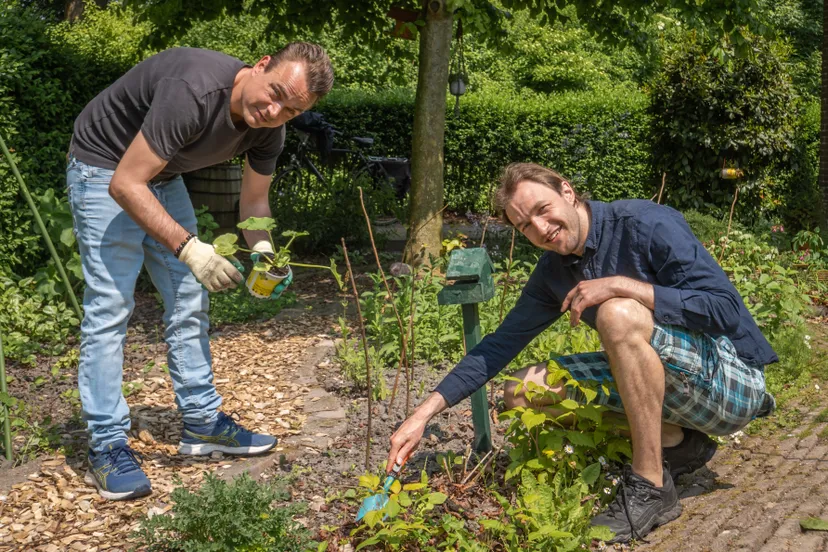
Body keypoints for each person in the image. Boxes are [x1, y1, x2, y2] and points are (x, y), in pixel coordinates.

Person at [386, 162, 777, 543]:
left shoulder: (644, 222)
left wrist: (621, 285)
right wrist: (422, 415)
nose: (541, 229)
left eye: (543, 210)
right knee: (523, 391)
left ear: (567, 192)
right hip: (674, 384)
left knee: (616, 312)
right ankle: (679, 443)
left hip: (731, 380)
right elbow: (498, 347)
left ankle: (651, 486)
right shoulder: (554, 272)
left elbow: (724, 309)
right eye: (525, 225)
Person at [67, 42, 334, 500]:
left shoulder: (270, 129)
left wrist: (266, 254)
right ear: (261, 65)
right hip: (105, 166)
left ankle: (202, 422)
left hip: (161, 177)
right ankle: (107, 445)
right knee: (111, 308)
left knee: (190, 300)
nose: (273, 111)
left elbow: (253, 204)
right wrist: (191, 250)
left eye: (290, 110)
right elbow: (126, 184)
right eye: (273, 94)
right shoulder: (193, 88)